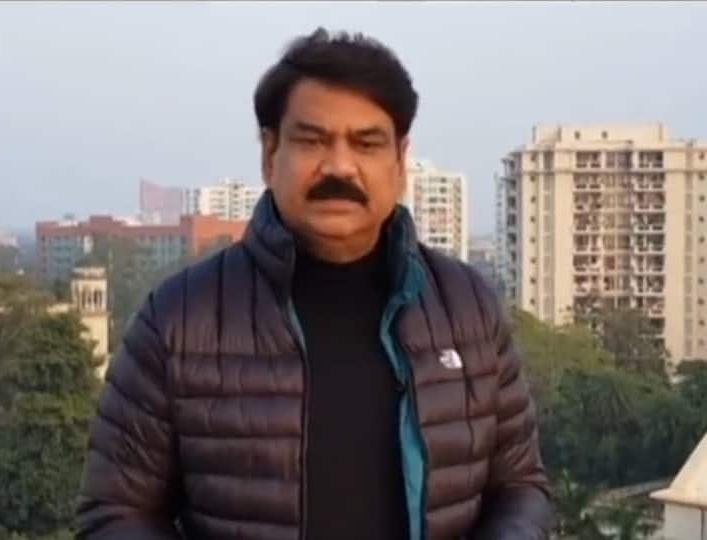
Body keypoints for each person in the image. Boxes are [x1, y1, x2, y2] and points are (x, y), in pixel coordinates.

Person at [76, 27, 552, 540]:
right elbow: (117, 512)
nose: (339, 166)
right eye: (312, 140)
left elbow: (519, 486)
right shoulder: (180, 320)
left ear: (400, 162)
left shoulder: (466, 309)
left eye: (366, 144)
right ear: (270, 155)